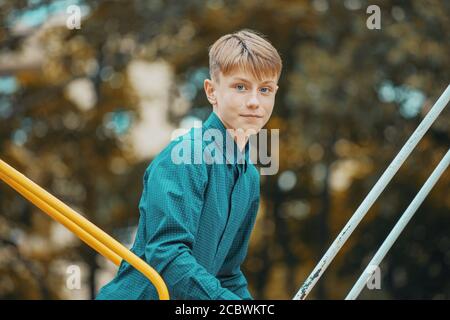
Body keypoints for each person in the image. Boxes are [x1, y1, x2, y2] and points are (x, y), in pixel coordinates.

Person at [96, 29, 282, 300]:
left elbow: (227, 274)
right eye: (240, 87)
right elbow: (168, 255)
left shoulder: (249, 176)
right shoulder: (184, 157)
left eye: (264, 89)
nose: (254, 101)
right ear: (211, 91)